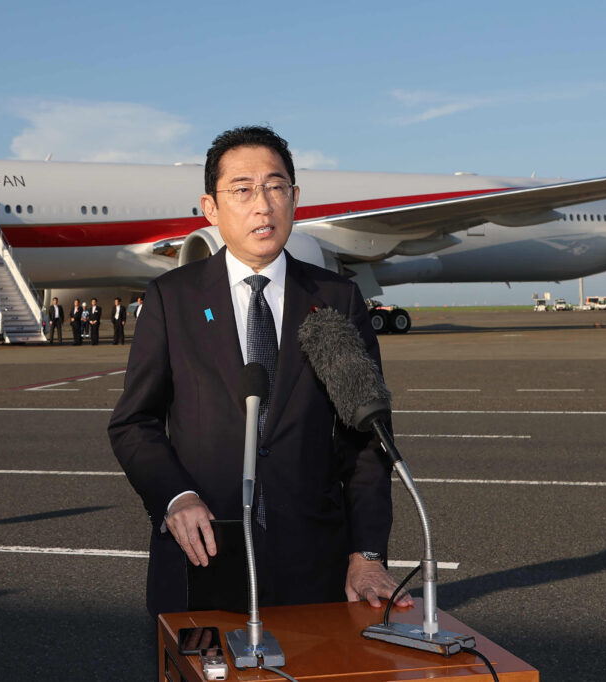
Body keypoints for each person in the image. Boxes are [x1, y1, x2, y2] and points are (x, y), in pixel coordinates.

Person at [108, 126, 410, 618]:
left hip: (315, 565)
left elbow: (367, 440)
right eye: (243, 190)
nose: (263, 205)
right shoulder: (172, 299)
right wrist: (176, 497)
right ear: (210, 207)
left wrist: (368, 554)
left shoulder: (336, 299)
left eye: (276, 187)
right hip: (204, 556)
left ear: (295, 198)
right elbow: (133, 423)